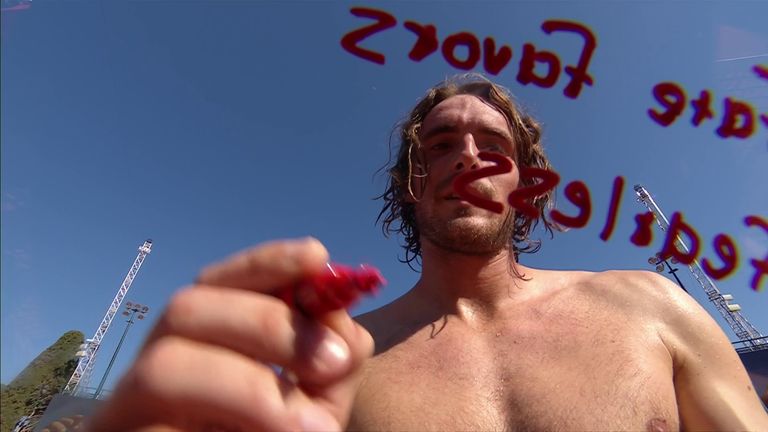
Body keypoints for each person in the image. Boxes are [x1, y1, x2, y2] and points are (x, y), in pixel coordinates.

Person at [88, 75, 768, 431]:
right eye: (441, 144)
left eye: (493, 148)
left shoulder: (650, 307)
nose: (469, 157)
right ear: (414, 183)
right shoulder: (336, 363)